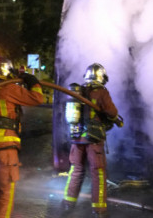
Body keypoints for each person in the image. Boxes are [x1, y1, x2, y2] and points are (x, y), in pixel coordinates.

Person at [0, 56, 44, 218]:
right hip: (5, 150)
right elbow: (37, 98)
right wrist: (32, 81)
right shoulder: (9, 88)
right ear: (8, 71)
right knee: (5, 192)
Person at [62, 63, 123, 218]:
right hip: (93, 139)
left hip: (77, 139)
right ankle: (99, 210)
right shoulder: (101, 92)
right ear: (101, 77)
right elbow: (111, 111)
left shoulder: (78, 91)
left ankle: (67, 204)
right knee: (98, 173)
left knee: (76, 171)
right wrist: (117, 120)